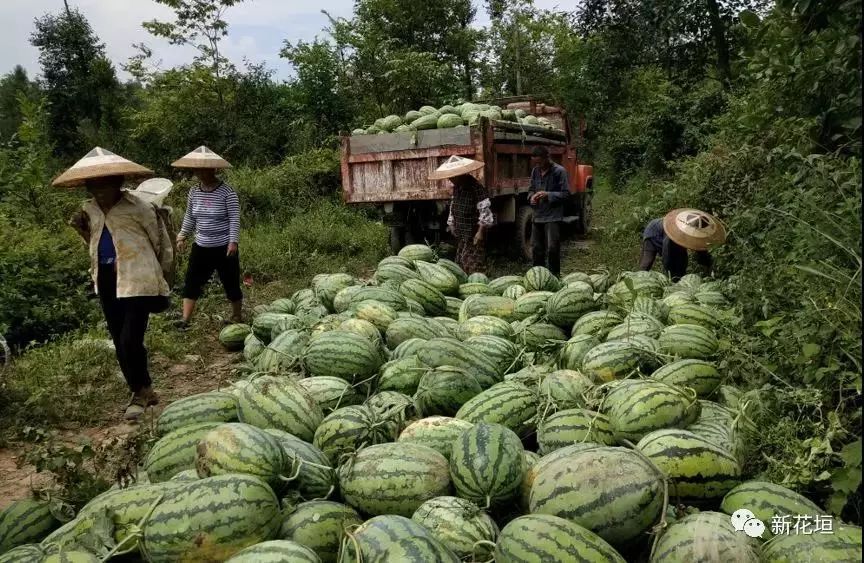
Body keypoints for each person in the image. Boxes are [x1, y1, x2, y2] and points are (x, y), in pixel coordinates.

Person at [55, 147, 174, 420]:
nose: (99, 191)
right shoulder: (89, 211)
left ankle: (142, 389)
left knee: (131, 338)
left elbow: (160, 243)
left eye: (104, 184)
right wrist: (82, 232)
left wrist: (163, 275)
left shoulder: (140, 208)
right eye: (93, 185)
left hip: (138, 277)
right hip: (107, 278)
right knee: (118, 339)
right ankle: (141, 390)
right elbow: (94, 244)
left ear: (118, 182)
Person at [172, 146, 242, 328]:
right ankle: (185, 319)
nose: (200, 173)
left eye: (204, 169)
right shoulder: (194, 192)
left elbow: (234, 219)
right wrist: (182, 236)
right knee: (192, 281)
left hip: (223, 246)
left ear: (213, 169)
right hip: (201, 245)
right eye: (197, 170)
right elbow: (190, 216)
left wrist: (233, 242)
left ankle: (237, 315)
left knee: (231, 281)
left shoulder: (227, 193)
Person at [430, 156, 495, 274]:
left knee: (474, 263)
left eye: (452, 176)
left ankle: (478, 283)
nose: (450, 179)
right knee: (461, 262)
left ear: (459, 174)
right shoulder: (457, 187)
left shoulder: (476, 187)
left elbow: (485, 211)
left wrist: (480, 232)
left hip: (473, 232)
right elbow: (453, 205)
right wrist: (451, 223)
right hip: (462, 232)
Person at [640, 208, 727, 281]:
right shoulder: (676, 230)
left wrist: (709, 265)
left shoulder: (696, 231)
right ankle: (638, 279)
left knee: (682, 262)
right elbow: (666, 254)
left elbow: (700, 249)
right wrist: (670, 274)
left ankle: (678, 280)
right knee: (647, 262)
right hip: (654, 231)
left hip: (670, 236)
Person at [528, 145, 570, 277]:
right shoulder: (535, 171)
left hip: (553, 216)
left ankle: (554, 276)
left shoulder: (559, 171)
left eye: (540, 162)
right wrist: (531, 197)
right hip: (538, 215)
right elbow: (530, 189)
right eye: (535, 163)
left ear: (547, 158)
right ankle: (538, 277)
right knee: (536, 248)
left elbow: (566, 194)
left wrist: (548, 195)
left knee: (552, 248)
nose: (538, 165)